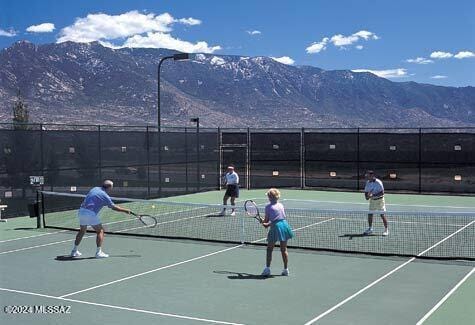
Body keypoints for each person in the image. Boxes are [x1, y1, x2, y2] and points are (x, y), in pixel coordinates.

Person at [70, 180, 132, 258]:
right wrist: (126, 210)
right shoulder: (105, 196)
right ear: (109, 187)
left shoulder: (94, 188)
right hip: (90, 213)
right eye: (112, 187)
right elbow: (114, 207)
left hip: (81, 211)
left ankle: (74, 251)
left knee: (82, 231)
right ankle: (98, 252)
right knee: (100, 231)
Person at [261, 188, 294, 277]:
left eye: (268, 196)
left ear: (270, 197)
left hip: (276, 227)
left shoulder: (268, 207)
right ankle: (286, 269)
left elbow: (267, 221)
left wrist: (264, 223)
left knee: (269, 249)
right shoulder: (281, 205)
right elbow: (280, 217)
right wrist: (266, 223)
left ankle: (267, 269)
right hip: (284, 225)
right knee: (284, 249)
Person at [363, 171, 389, 236]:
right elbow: (366, 192)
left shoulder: (378, 182)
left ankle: (386, 230)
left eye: (368, 176)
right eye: (367, 176)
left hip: (380, 201)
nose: (367, 177)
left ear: (372, 176)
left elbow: (382, 193)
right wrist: (367, 196)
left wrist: (373, 195)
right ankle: (370, 229)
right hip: (372, 201)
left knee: (382, 215)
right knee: (370, 214)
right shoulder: (368, 183)